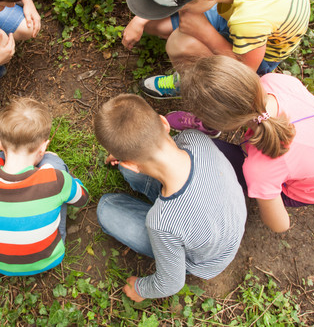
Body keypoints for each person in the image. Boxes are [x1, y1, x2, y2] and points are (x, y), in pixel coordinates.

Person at [95, 94, 246, 300]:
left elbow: (171, 283)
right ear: (164, 123)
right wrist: (126, 158)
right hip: (225, 221)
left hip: (204, 259)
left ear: (131, 163)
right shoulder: (195, 138)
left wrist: (140, 289)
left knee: (106, 208)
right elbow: (154, 152)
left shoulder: (162, 222)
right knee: (126, 183)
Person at [177, 56, 314, 232]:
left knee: (200, 147)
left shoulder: (260, 168)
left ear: (227, 125)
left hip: (309, 190)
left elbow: (280, 225)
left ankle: (208, 133)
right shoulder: (275, 81)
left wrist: (264, 191)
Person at [124, 0, 310, 99]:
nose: (180, 10)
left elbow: (245, 71)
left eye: (182, 5)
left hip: (259, 54)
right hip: (240, 11)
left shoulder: (250, 20)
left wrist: (205, 32)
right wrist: (141, 19)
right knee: (155, 25)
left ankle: (195, 86)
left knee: (180, 44)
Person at [0, 98, 89, 276]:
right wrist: (65, 179)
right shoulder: (55, 180)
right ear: (43, 147)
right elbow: (82, 199)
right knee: (54, 163)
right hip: (46, 259)